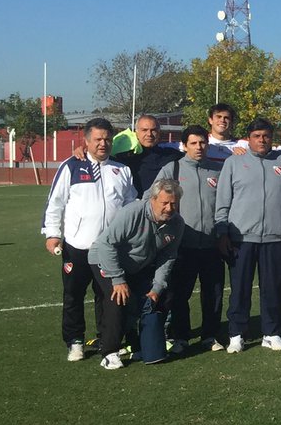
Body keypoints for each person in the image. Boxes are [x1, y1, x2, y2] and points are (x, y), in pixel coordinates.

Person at [41, 117, 136, 362]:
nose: (103, 144)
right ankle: (75, 341)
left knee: (107, 297)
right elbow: (55, 203)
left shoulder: (121, 170)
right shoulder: (71, 166)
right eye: (98, 139)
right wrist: (52, 234)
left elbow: (130, 206)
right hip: (77, 246)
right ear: (86, 141)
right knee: (73, 296)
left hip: (109, 249)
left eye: (107, 139)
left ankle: (107, 339)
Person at [215, 117, 281, 352]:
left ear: (271, 138)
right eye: (256, 136)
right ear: (249, 139)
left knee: (272, 288)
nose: (262, 140)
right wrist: (223, 231)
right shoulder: (234, 163)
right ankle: (236, 333)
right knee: (240, 288)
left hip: (275, 237)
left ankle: (271, 332)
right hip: (241, 238)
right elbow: (223, 201)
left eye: (266, 136)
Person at [88, 178, 185, 369]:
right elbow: (108, 244)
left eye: (173, 203)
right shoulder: (133, 212)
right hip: (104, 258)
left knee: (150, 299)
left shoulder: (177, 224)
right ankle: (109, 352)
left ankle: (140, 344)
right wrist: (117, 279)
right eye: (164, 203)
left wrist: (157, 288)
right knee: (118, 298)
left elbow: (168, 257)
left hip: (137, 266)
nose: (169, 208)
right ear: (153, 199)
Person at [152, 124, 226, 353]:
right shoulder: (172, 169)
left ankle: (210, 335)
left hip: (212, 244)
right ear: (184, 145)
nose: (199, 147)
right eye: (193, 143)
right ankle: (180, 336)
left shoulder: (217, 170)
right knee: (180, 293)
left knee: (213, 293)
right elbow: (152, 198)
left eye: (202, 142)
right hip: (182, 244)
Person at [115, 114, 182, 195]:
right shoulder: (125, 159)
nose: (149, 134)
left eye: (153, 130)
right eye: (144, 130)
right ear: (136, 132)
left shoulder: (172, 155)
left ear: (159, 132)